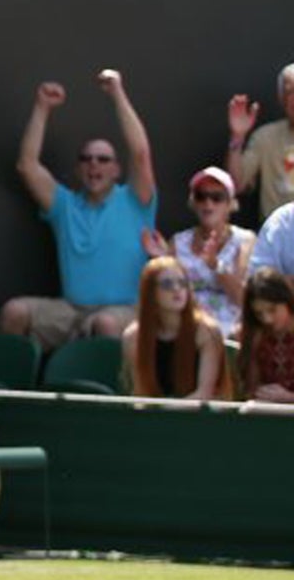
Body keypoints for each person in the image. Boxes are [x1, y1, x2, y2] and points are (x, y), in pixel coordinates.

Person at [0, 70, 158, 349]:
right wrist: (42, 107)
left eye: (103, 159)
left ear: (116, 169)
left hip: (123, 312)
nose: (94, 165)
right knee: (14, 312)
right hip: (70, 310)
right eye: (86, 159)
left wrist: (117, 93)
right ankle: (10, 393)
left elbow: (141, 154)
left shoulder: (135, 201)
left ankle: (111, 393)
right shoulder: (65, 205)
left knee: (105, 323)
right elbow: (27, 166)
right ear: (78, 168)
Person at [146, 165, 254, 336]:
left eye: (217, 197)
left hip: (230, 333)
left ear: (230, 204)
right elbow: (165, 294)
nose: (208, 203)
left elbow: (244, 300)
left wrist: (216, 266)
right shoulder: (178, 242)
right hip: (186, 329)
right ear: (193, 203)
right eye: (201, 196)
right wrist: (162, 260)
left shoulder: (245, 241)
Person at [120, 257, 226, 399]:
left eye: (182, 283)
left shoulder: (207, 331)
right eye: (167, 284)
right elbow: (141, 393)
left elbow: (205, 394)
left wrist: (167, 412)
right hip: (155, 416)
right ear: (150, 291)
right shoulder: (133, 336)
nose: (177, 289)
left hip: (198, 416)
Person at [227, 63, 294, 222]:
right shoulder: (265, 137)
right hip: (277, 239)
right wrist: (237, 137)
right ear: (281, 98)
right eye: (290, 91)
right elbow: (236, 185)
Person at [233, 268, 294, 402]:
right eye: (259, 313)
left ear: (286, 301)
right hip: (266, 414)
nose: (267, 319)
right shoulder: (255, 335)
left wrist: (288, 397)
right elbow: (250, 388)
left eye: (272, 310)